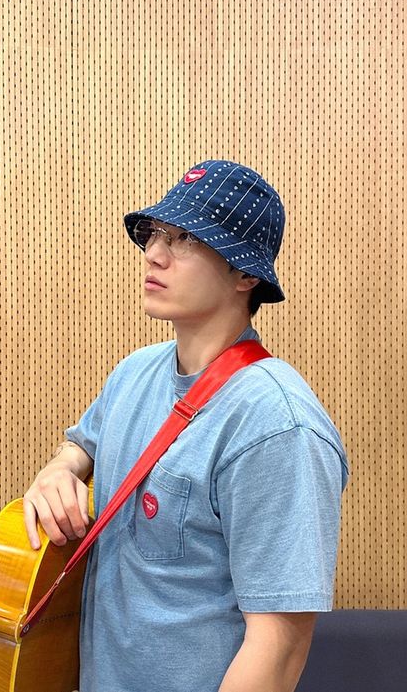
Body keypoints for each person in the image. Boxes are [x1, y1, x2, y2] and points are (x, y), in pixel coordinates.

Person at [23, 160, 349, 692]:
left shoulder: (276, 424)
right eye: (155, 234)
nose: (153, 254)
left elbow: (279, 646)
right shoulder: (134, 373)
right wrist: (57, 471)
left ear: (245, 274)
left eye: (186, 239)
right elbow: (82, 445)